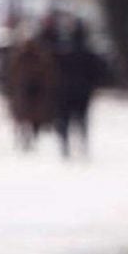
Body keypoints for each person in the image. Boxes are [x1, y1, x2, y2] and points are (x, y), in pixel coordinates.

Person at [55, 20, 103, 158]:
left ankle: (66, 146)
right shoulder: (88, 53)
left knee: (65, 120)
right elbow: (97, 72)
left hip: (66, 91)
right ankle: (82, 144)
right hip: (83, 91)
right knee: (81, 120)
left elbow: (57, 71)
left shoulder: (63, 52)